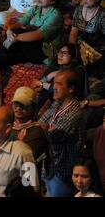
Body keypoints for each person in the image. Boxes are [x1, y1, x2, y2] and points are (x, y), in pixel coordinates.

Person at [38, 69, 85, 197]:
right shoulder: (57, 104)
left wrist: (45, 129)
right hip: (50, 167)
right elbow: (39, 124)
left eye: (59, 84)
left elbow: (50, 136)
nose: (54, 87)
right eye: (54, 83)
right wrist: (45, 128)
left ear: (70, 89)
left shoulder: (74, 113)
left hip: (62, 172)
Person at [0, 0, 63, 67]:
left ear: (52, 1)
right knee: (15, 33)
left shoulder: (55, 15)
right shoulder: (36, 8)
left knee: (20, 41)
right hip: (29, 42)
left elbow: (39, 34)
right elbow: (21, 23)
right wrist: (9, 30)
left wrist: (15, 38)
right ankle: (3, 57)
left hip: (44, 48)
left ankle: (7, 56)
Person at [32, 43, 86, 111]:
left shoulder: (78, 71)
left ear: (73, 58)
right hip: (54, 99)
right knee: (44, 92)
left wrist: (42, 84)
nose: (60, 55)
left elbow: (62, 90)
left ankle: (33, 112)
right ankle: (33, 112)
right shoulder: (55, 66)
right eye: (60, 52)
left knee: (46, 89)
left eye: (65, 53)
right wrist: (49, 76)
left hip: (70, 102)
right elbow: (36, 87)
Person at [68, 0, 105, 79]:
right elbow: (74, 31)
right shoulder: (79, 9)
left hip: (95, 51)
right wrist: (71, 49)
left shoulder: (102, 14)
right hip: (79, 45)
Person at [11, 86, 48, 163]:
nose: (18, 108)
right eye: (16, 103)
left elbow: (23, 158)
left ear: (32, 108)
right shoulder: (7, 125)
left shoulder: (36, 131)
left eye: (23, 104)